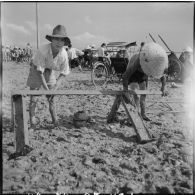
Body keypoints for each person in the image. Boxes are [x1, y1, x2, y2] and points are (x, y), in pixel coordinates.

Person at [107, 42, 168, 122]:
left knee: (143, 95)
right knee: (136, 95)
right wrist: (125, 90)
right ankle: (135, 114)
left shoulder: (153, 61)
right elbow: (125, 76)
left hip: (143, 76)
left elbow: (163, 76)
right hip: (133, 76)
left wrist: (163, 88)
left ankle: (143, 114)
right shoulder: (138, 61)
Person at [26, 25, 71, 126]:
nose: (59, 42)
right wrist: (47, 90)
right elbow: (40, 72)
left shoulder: (64, 54)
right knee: (34, 97)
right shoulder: (43, 50)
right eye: (57, 39)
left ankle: (55, 120)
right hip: (36, 69)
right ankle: (32, 120)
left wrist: (54, 89)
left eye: (62, 40)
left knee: (51, 97)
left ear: (64, 42)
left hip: (50, 70)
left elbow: (64, 73)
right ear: (52, 39)